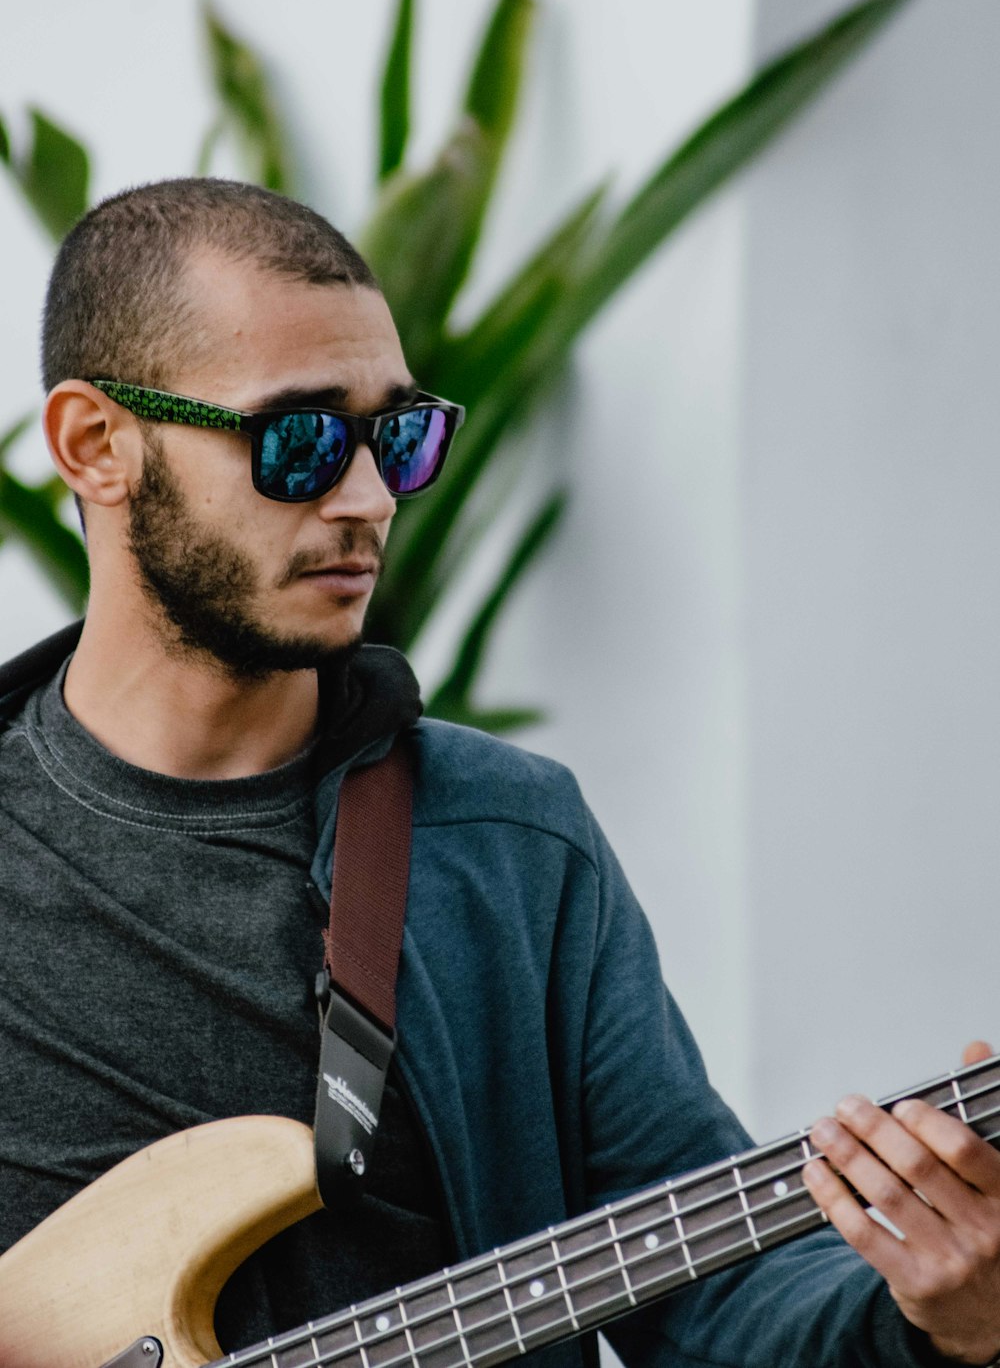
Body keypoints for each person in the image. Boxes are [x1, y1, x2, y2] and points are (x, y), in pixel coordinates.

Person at [1, 177, 998, 1368]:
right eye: (301, 440)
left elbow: (718, 1309)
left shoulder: (510, 841)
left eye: (399, 436)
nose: (368, 499)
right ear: (96, 445)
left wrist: (945, 1323)